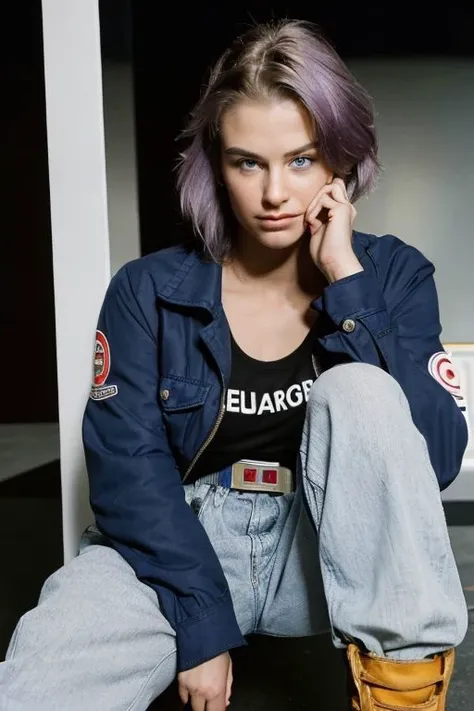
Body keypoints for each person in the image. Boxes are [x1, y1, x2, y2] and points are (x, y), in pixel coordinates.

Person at [0, 18, 469, 711]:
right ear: (216, 164)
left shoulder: (391, 277)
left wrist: (346, 280)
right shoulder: (148, 291)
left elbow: (430, 456)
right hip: (176, 545)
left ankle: (403, 697)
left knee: (362, 390)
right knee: (34, 685)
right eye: (248, 162)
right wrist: (201, 625)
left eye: (302, 159)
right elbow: (128, 471)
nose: (275, 193)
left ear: (341, 159)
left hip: (324, 551)